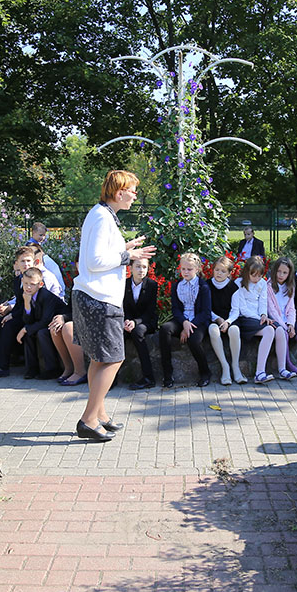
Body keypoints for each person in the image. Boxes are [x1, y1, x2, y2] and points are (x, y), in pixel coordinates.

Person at [72, 170, 155, 442]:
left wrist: (125, 247)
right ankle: (88, 420)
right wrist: (128, 255)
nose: (135, 196)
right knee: (113, 358)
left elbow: (99, 253)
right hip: (99, 299)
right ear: (119, 193)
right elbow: (95, 262)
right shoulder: (102, 217)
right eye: (132, 191)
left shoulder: (101, 214)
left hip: (94, 297)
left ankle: (99, 414)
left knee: (100, 359)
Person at [228, 256, 288, 383]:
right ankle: (260, 372)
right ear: (247, 272)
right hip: (245, 319)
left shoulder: (262, 283)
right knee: (269, 330)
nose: (257, 279)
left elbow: (263, 301)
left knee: (280, 330)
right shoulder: (239, 283)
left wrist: (263, 315)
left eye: (259, 276)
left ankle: (282, 369)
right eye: (253, 275)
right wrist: (260, 318)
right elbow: (242, 309)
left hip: (259, 318)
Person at [0, 247, 36, 378]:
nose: (26, 264)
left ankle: (2, 367)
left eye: (28, 261)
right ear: (17, 264)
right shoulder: (18, 279)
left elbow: (32, 305)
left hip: (34, 315)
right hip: (22, 313)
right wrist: (10, 314)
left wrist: (13, 315)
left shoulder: (34, 280)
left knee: (8, 326)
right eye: (22, 261)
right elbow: (19, 303)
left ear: (34, 262)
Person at [160, 253, 213, 388]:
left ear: (197, 269)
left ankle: (205, 373)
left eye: (189, 269)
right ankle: (167, 374)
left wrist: (190, 325)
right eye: (183, 269)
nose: (186, 272)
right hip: (182, 319)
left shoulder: (203, 287)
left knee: (193, 340)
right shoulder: (177, 286)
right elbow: (175, 309)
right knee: (165, 329)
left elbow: (206, 312)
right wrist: (184, 322)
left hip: (198, 321)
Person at [14, 268, 65, 379]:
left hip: (58, 323)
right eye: (26, 283)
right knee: (29, 333)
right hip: (44, 323)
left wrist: (25, 329)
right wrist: (27, 303)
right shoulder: (26, 295)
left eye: (32, 284)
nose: (28, 287)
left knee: (41, 333)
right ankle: (32, 369)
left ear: (40, 284)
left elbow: (46, 320)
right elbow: (28, 320)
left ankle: (52, 369)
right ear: (22, 281)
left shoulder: (46, 296)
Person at [207, 256, 247, 385]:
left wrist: (228, 322)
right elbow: (206, 308)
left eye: (223, 271)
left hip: (229, 318)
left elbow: (236, 310)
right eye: (217, 270)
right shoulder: (207, 286)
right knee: (213, 330)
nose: (219, 273)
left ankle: (235, 366)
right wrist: (218, 319)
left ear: (229, 273)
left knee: (234, 330)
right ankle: (225, 367)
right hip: (213, 318)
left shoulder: (233, 287)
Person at [266, 257, 297, 378]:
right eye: (279, 271)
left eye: (285, 273)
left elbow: (291, 308)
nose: (281, 275)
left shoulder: (290, 287)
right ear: (274, 271)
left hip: (288, 321)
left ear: (289, 274)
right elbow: (271, 310)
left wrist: (291, 324)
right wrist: (285, 327)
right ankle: (288, 364)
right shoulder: (268, 286)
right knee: (284, 335)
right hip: (276, 321)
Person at [123, 257, 159, 390]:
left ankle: (148, 378)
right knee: (116, 333)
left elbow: (150, 311)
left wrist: (135, 322)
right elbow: (123, 307)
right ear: (130, 268)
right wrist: (127, 321)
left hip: (146, 321)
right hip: (129, 321)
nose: (141, 270)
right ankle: (111, 377)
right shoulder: (124, 284)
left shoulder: (151, 285)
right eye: (138, 266)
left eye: (144, 267)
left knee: (137, 332)